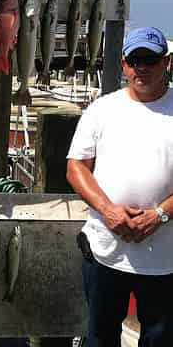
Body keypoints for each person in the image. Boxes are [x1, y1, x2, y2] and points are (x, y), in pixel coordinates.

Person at [66, 27, 173, 346]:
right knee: (99, 336)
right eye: (135, 60)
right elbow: (76, 166)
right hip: (105, 251)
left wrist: (160, 215)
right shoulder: (102, 109)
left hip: (165, 260)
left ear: (166, 62)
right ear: (124, 64)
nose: (142, 67)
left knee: (160, 338)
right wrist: (108, 210)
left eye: (150, 60)